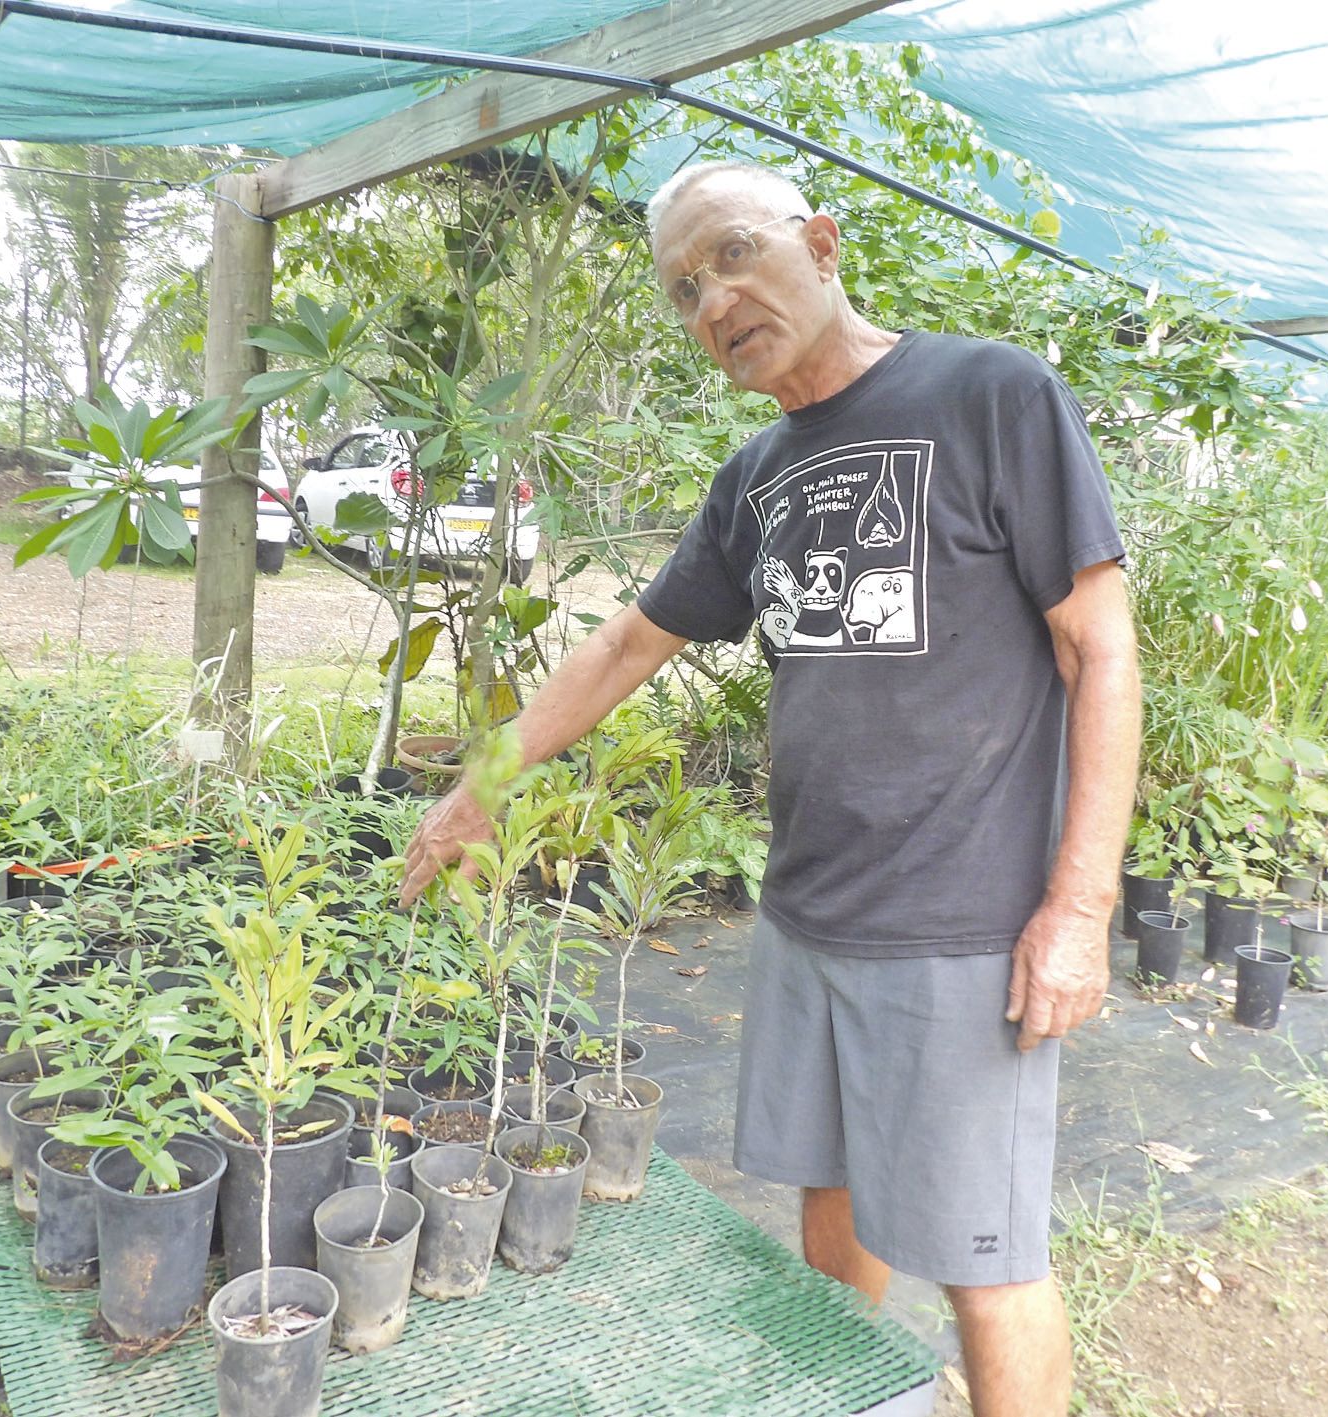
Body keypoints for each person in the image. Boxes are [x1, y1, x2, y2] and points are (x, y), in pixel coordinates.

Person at [400, 160, 1140, 1417]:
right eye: (685, 289)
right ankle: (847, 1395)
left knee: (986, 1261)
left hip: (962, 927)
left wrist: (1078, 908)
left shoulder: (988, 393)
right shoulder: (756, 475)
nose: (714, 300)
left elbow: (1101, 646)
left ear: (822, 241)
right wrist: (480, 786)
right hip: (805, 915)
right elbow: (627, 644)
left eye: (735, 254)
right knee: (830, 1194)